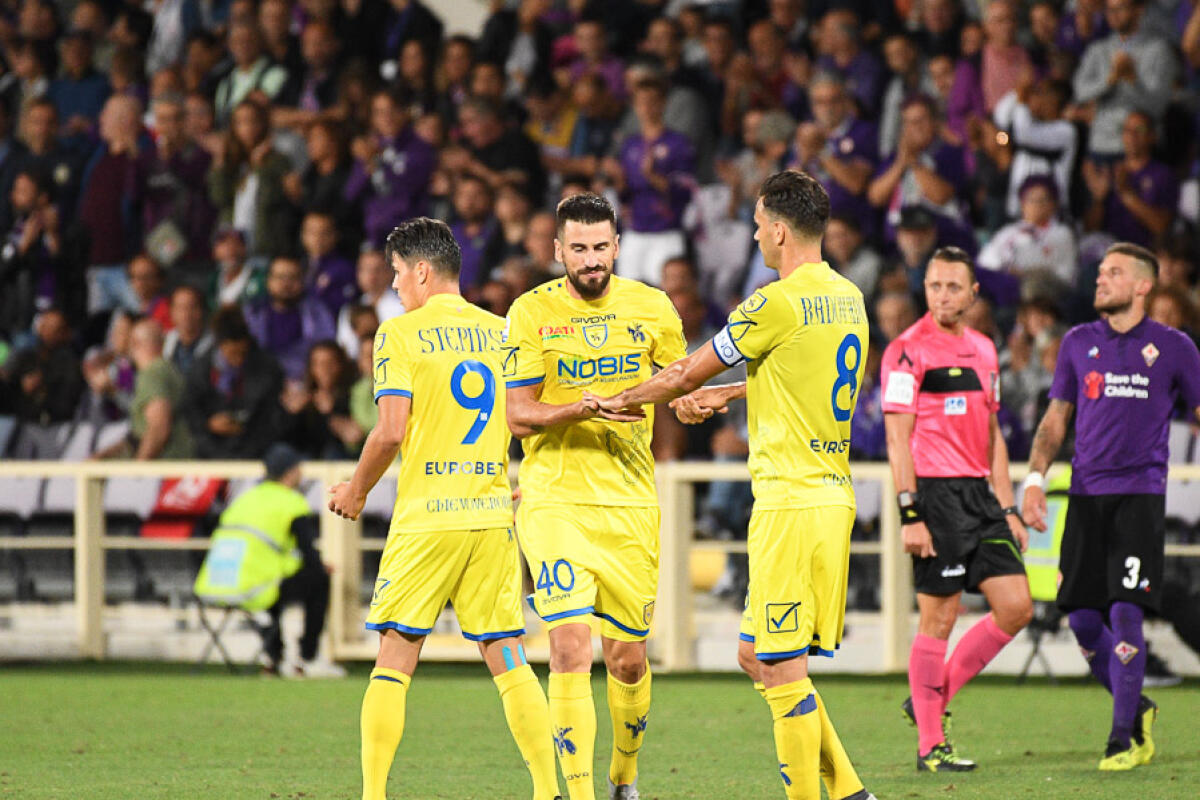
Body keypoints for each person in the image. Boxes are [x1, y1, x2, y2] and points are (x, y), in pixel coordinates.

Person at [590, 171, 875, 800]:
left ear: (777, 228)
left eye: (754, 224)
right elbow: (806, 368)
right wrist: (738, 390)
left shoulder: (772, 300)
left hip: (790, 501)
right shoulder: (847, 295)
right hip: (831, 492)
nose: (753, 235)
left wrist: (621, 399)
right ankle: (851, 792)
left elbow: (688, 366)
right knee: (757, 655)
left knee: (781, 665)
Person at [327, 218, 560, 800]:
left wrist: (355, 489)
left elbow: (389, 430)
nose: (397, 286)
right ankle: (545, 788)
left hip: (428, 519)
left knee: (395, 656)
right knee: (508, 655)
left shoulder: (399, 335)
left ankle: (374, 795)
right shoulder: (502, 330)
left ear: (423, 271)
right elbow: (524, 417)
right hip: (489, 515)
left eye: (399, 274)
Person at [503, 192, 686, 800]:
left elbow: (678, 385)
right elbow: (519, 415)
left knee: (627, 660)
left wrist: (694, 403)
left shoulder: (653, 307)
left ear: (616, 246)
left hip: (630, 504)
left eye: (599, 247)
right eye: (577, 249)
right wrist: (576, 408)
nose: (590, 260)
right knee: (567, 645)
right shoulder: (530, 312)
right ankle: (578, 794)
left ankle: (622, 778)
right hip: (555, 500)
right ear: (557, 251)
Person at [1021, 242, 1200, 770]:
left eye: (1114, 273)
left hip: (1140, 497)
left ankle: (1123, 737)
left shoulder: (1175, 347)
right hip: (1084, 495)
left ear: (1143, 286)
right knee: (1079, 618)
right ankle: (1137, 706)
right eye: (1100, 272)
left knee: (1125, 609)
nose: (1101, 280)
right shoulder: (1078, 343)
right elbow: (1055, 422)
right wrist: (1034, 479)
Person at [879, 247, 1033, 772]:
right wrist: (909, 513)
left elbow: (993, 437)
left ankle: (929, 700)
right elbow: (897, 441)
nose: (942, 295)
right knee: (939, 618)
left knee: (1016, 607)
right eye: (934, 285)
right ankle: (930, 745)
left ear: (973, 294)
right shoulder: (905, 351)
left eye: (952, 287)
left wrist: (1009, 508)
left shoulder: (986, 351)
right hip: (935, 496)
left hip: (981, 497)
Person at [194, 442, 343, 678]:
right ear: (291, 472)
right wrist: (321, 567)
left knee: (275, 582)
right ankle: (308, 658)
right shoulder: (291, 502)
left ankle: (274, 658)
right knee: (318, 579)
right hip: (254, 588)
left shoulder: (244, 499)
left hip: (211, 586)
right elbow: (308, 554)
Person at [94, 318, 193, 460]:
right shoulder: (168, 369)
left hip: (164, 468)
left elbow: (158, 428)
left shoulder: (152, 374)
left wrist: (139, 470)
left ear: (134, 343)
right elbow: (139, 433)